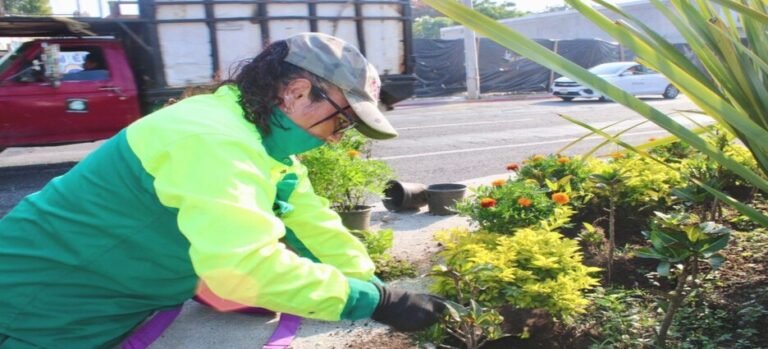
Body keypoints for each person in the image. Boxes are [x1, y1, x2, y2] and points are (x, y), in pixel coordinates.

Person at [0, 33, 445, 348]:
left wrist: (368, 281)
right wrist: (372, 301)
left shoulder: (258, 140)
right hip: (45, 300)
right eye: (342, 119)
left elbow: (311, 221)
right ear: (295, 91)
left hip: (105, 296)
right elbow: (243, 269)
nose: (338, 137)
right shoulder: (213, 140)